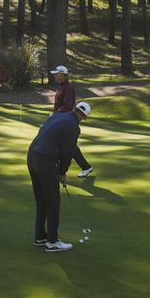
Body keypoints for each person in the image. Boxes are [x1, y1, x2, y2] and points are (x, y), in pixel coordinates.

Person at [27, 101, 92, 253]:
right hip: (45, 160)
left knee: (42, 199)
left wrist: (59, 170)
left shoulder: (57, 116)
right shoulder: (74, 127)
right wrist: (62, 172)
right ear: (83, 116)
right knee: (53, 202)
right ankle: (52, 241)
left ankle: (40, 237)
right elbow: (67, 153)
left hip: (32, 156)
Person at [50, 65, 93, 178]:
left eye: (56, 74)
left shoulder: (68, 87)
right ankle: (86, 167)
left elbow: (68, 105)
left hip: (66, 121)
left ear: (63, 75)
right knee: (69, 145)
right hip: (62, 119)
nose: (54, 75)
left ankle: (83, 167)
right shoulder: (61, 86)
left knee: (68, 145)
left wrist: (56, 116)